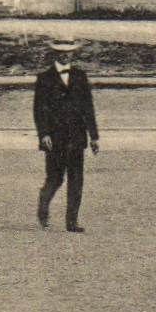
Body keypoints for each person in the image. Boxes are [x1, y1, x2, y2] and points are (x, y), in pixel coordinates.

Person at [33, 39, 99, 233]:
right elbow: (39, 109)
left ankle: (72, 222)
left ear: (73, 54)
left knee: (76, 180)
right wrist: (43, 134)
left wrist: (94, 136)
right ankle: (43, 207)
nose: (65, 55)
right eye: (61, 52)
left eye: (68, 52)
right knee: (55, 179)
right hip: (55, 139)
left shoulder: (80, 76)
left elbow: (88, 108)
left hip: (77, 137)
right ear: (55, 54)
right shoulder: (44, 78)